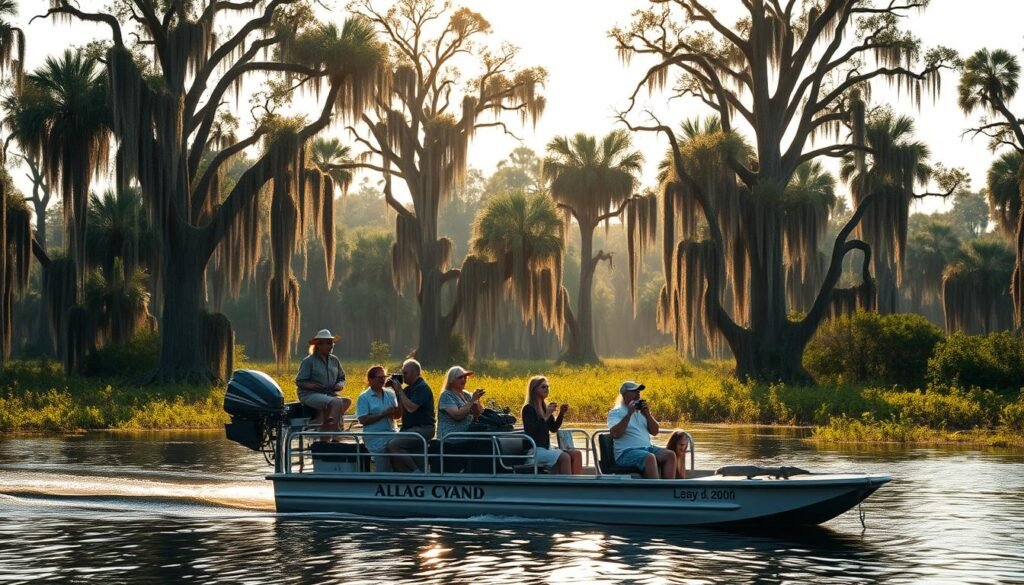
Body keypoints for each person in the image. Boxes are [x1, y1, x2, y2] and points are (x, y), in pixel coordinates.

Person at [607, 381, 676, 479]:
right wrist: (629, 414)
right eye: (634, 391)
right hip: (626, 453)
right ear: (624, 394)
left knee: (670, 455)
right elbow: (615, 433)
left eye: (638, 392)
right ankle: (655, 491)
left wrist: (648, 414)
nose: (638, 394)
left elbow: (655, 432)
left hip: (647, 448)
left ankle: (668, 491)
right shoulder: (615, 412)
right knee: (650, 458)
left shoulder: (641, 412)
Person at [521, 375, 583, 474]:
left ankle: (578, 485)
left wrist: (561, 413)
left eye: (547, 387)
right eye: (543, 387)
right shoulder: (528, 408)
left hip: (546, 447)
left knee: (576, 454)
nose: (547, 389)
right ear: (534, 389)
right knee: (565, 457)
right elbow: (531, 431)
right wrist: (546, 415)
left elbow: (553, 428)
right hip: (534, 449)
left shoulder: (545, 407)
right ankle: (568, 486)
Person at [295, 329, 351, 436]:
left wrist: (340, 385)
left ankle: (326, 426)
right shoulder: (309, 361)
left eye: (332, 343)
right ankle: (332, 427)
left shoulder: (334, 360)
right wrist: (313, 386)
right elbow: (300, 381)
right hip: (310, 394)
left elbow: (342, 378)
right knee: (336, 402)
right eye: (328, 343)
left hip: (329, 394)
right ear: (319, 345)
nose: (331, 346)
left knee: (346, 401)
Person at [387, 359, 435, 472]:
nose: (402, 376)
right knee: (399, 457)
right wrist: (396, 391)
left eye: (405, 373)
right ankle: (413, 476)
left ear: (415, 373)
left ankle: (415, 471)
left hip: (424, 428)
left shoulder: (422, 387)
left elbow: (411, 408)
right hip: (410, 429)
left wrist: (400, 391)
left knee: (394, 445)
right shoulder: (409, 389)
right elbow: (399, 413)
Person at [356, 365, 401, 471]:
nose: (383, 380)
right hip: (374, 436)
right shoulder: (364, 397)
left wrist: (399, 394)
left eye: (384, 377)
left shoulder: (390, 393)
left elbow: (397, 416)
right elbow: (363, 420)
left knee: (403, 449)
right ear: (370, 379)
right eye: (379, 377)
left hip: (392, 432)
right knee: (383, 463)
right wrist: (382, 414)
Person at [436, 365, 484, 441]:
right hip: (450, 439)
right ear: (451, 380)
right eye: (460, 377)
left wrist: (476, 403)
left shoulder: (467, 395)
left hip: (466, 436)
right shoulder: (446, 395)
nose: (463, 380)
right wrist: (472, 401)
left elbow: (477, 417)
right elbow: (457, 415)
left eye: (465, 377)